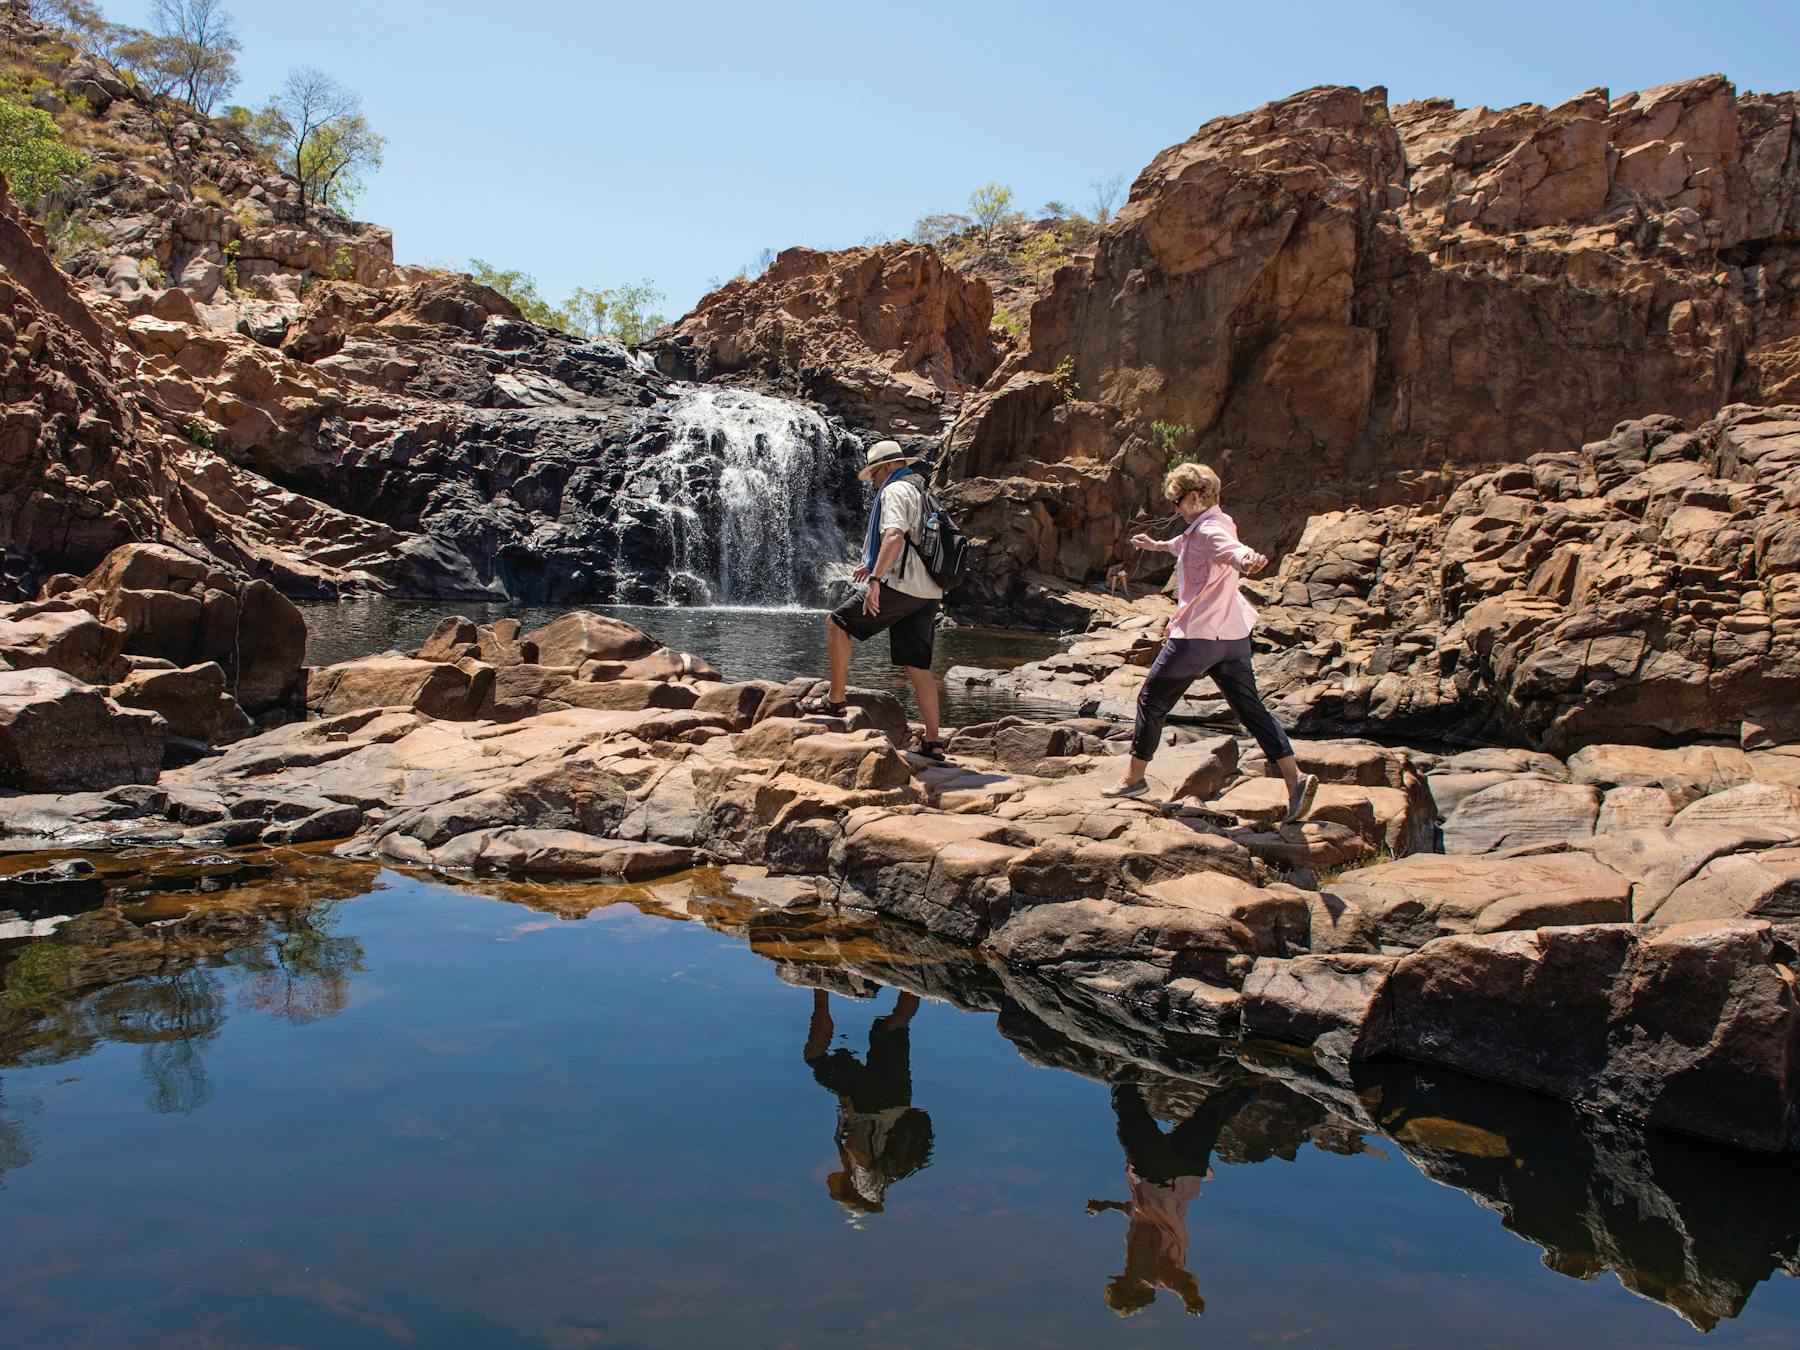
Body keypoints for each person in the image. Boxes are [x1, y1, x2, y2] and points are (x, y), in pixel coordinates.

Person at [1104, 462, 1317, 823]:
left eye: (1176, 502)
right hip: (1231, 637)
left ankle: (1133, 779)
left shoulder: (1212, 530)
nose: (1174, 510)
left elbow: (1229, 549)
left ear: (1193, 497)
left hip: (1198, 637)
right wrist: (1155, 544)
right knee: (1251, 710)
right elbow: (1187, 545)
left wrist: (1247, 558)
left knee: (1151, 700)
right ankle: (1295, 782)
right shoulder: (1210, 523)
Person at [800, 440, 947, 762]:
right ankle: (933, 742)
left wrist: (876, 579)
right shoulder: (923, 491)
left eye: (875, 476)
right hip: (929, 591)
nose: (875, 484)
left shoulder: (895, 491)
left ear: (884, 468)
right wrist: (874, 563)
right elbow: (916, 540)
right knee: (918, 666)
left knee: (838, 622)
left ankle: (835, 700)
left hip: (900, 584)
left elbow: (894, 535)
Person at [1085, 1080, 1255, 1319]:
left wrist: (1107, 1206)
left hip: (1186, 1172)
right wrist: (1190, 1297)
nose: (1121, 1276)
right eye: (1120, 1284)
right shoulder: (1148, 1275)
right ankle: (1126, 1070)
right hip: (1158, 1173)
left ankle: (1255, 1081)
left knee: (1213, 1114)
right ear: (1133, 1289)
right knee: (1127, 1111)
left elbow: (1138, 1215)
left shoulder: (1136, 1261)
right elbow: (1178, 1281)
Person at [803, 987, 935, 1218]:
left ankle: (915, 980)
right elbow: (857, 1150)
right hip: (868, 1103)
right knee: (815, 1056)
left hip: (897, 1101)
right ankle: (820, 990)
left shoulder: (886, 1180)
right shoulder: (864, 1184)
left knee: (894, 1026)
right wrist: (852, 1118)